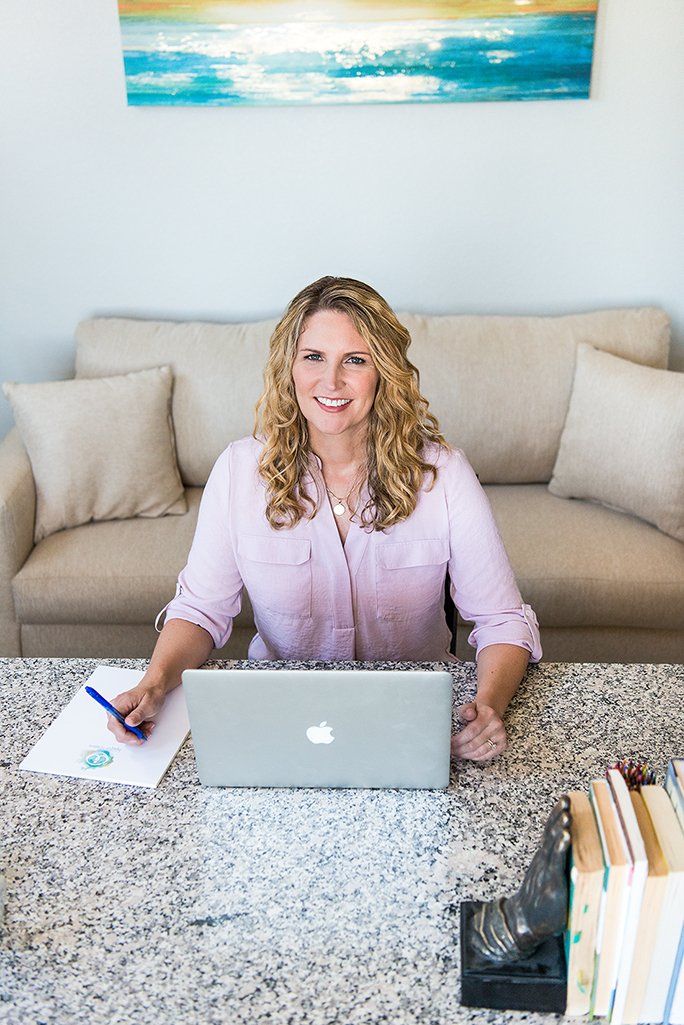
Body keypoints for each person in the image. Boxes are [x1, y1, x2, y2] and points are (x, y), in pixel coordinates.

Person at [107, 276, 541, 759]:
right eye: (313, 357)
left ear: (384, 373)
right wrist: (155, 683)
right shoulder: (238, 471)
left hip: (411, 725)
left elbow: (500, 620)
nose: (331, 382)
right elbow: (201, 609)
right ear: (289, 367)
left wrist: (487, 706)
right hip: (282, 719)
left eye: (355, 360)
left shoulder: (444, 474)